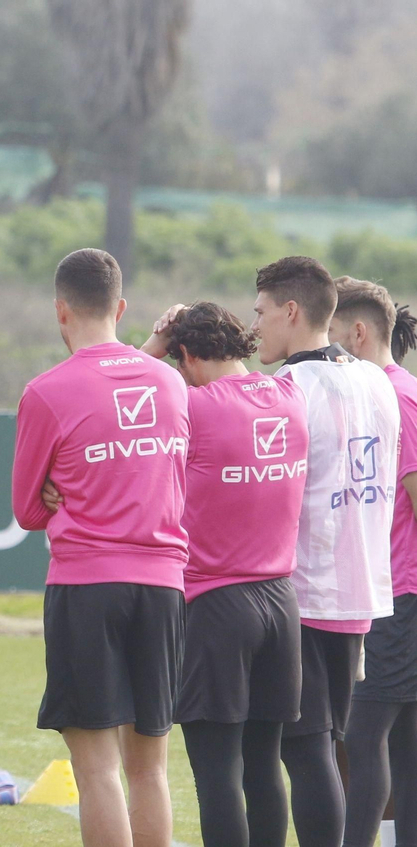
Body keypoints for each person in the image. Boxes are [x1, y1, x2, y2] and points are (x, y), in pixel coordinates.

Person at [12, 248, 190, 847]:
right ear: (121, 307)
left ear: (60, 310)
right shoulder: (169, 382)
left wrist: (59, 488)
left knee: (97, 771)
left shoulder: (47, 391)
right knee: (150, 769)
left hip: (87, 585)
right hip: (163, 586)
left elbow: (26, 510)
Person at [134, 302, 308, 847]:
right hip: (281, 602)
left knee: (217, 774)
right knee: (264, 766)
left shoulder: (194, 406)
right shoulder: (289, 395)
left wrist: (155, 343)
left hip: (216, 606)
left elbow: (122, 394)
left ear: (186, 354)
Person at [248, 257, 398, 847]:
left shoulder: (287, 389)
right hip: (360, 593)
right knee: (327, 744)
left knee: (304, 749)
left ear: (291, 311)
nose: (254, 325)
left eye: (260, 311)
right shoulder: (375, 380)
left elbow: (267, 493)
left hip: (303, 591)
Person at [327, 277, 417, 847]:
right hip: (388, 592)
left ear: (357, 333)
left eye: (331, 332)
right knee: (402, 745)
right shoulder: (381, 392)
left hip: (398, 594)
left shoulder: (397, 398)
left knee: (362, 739)